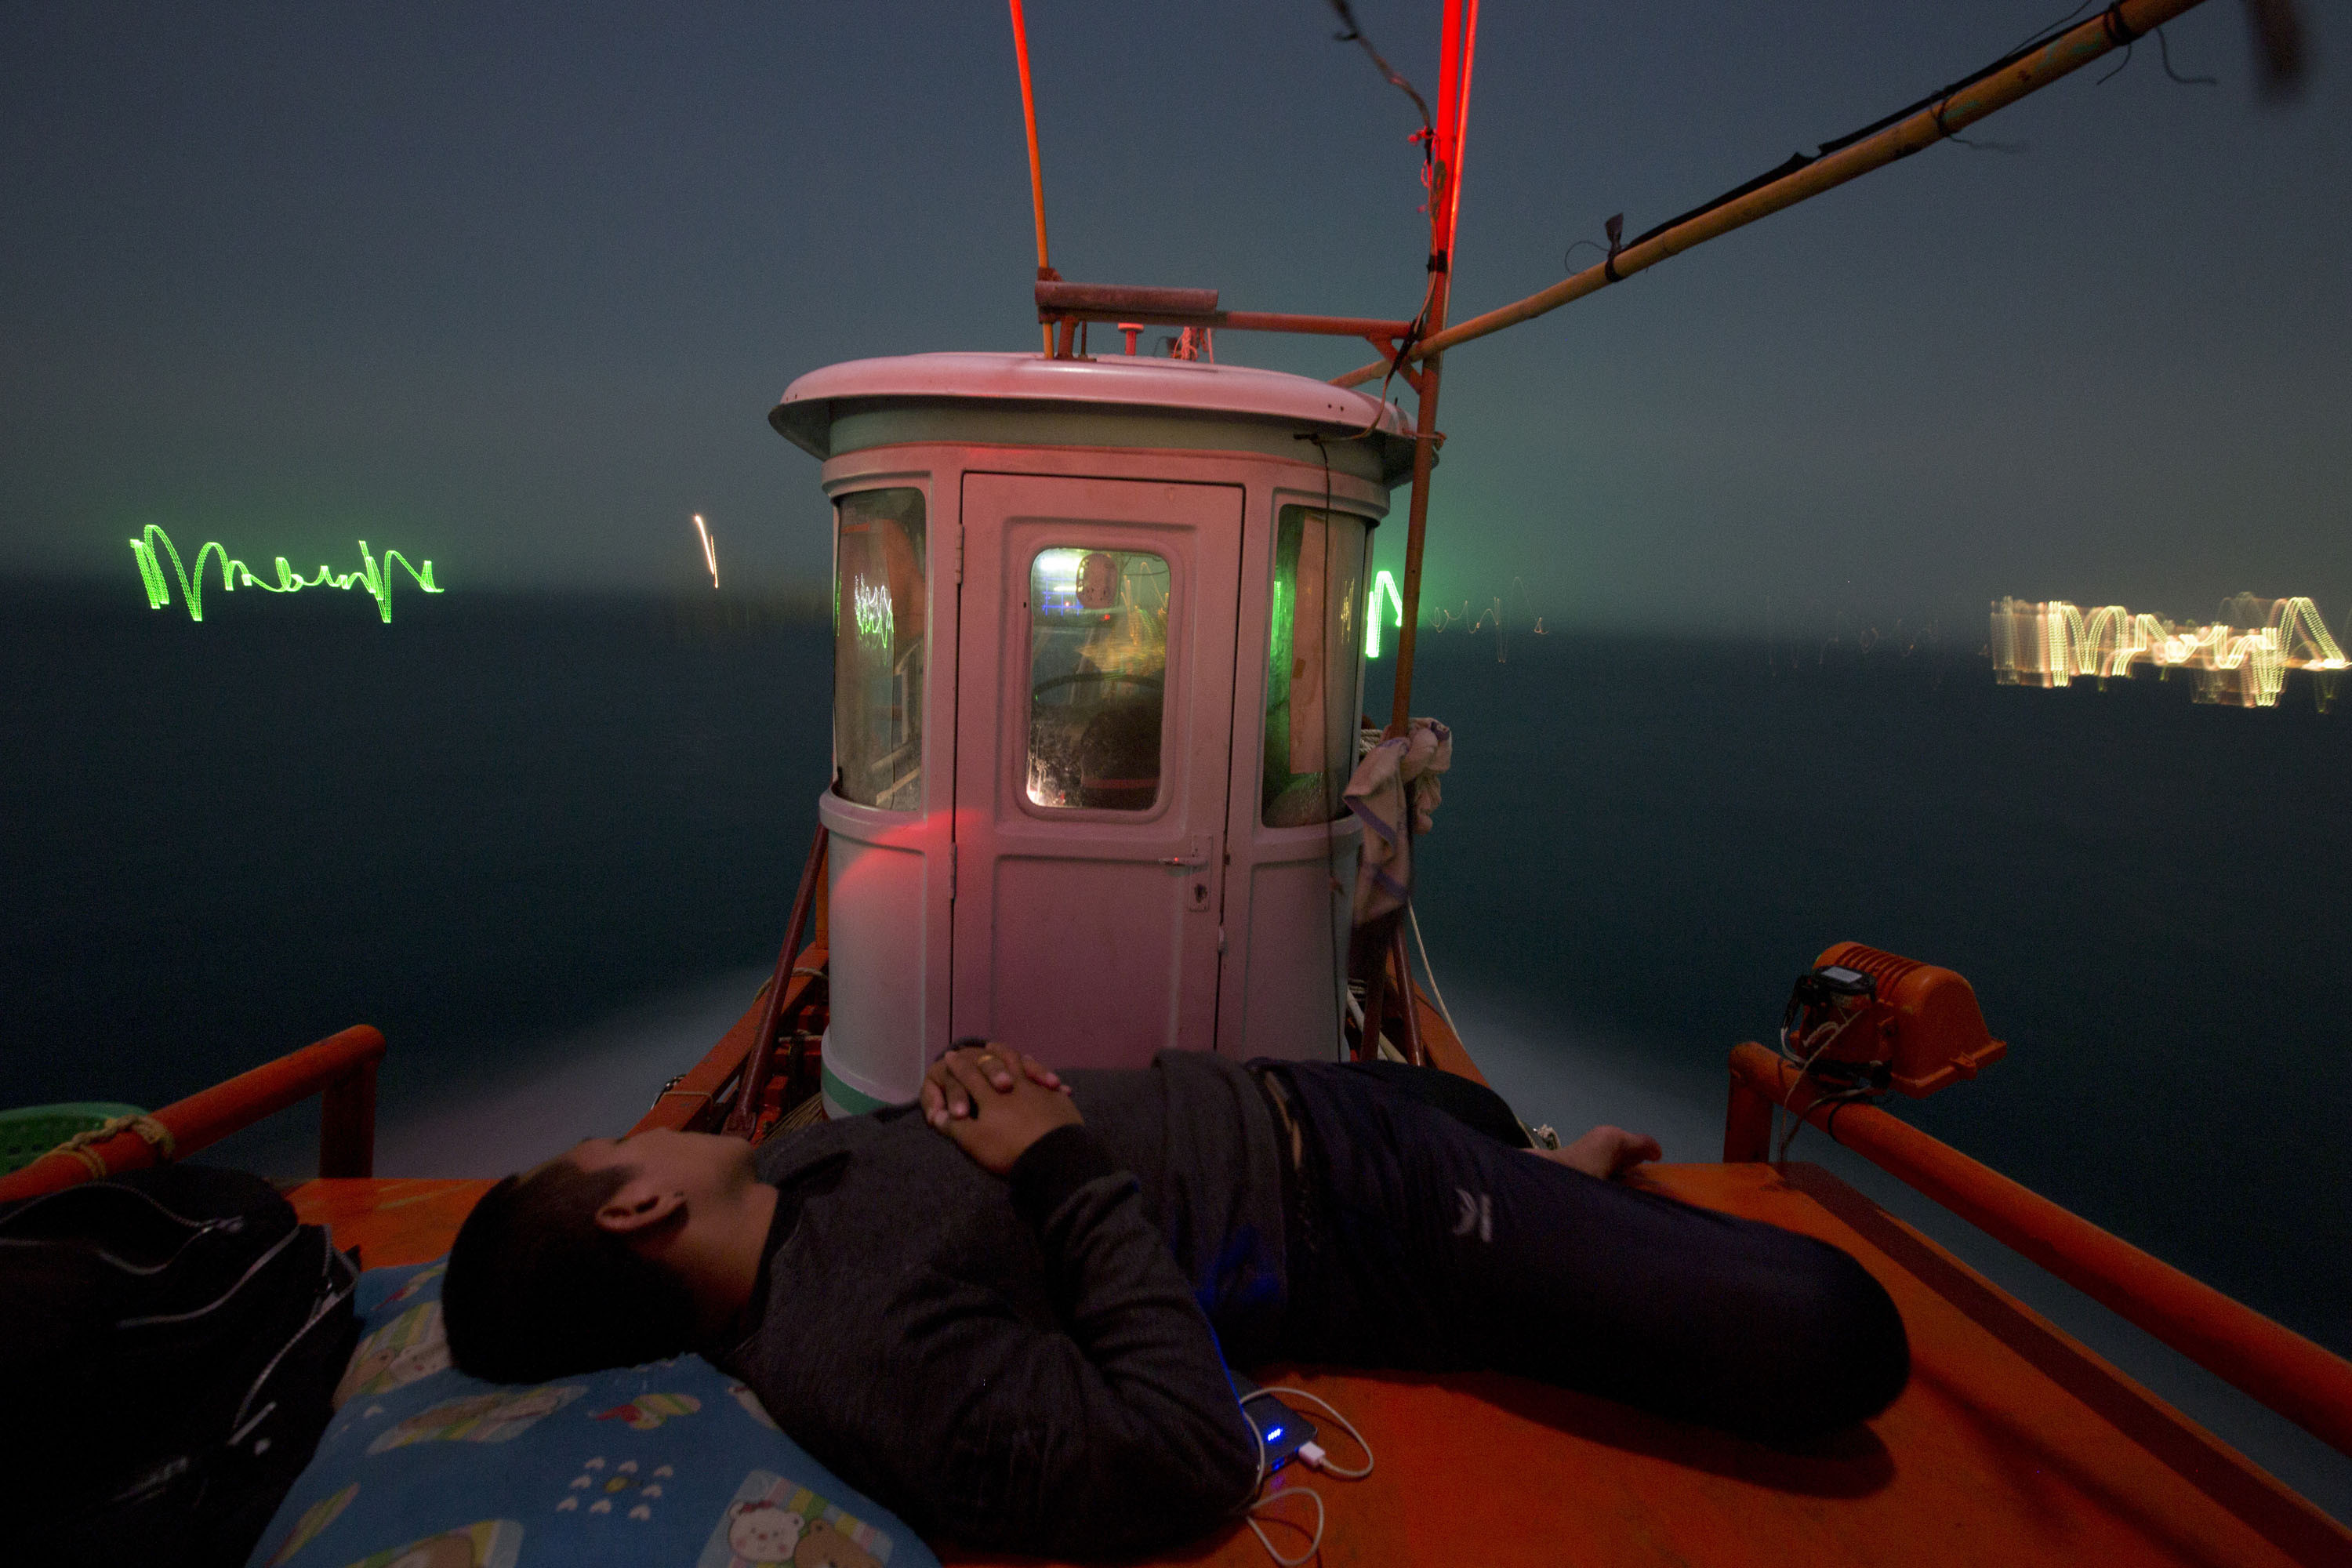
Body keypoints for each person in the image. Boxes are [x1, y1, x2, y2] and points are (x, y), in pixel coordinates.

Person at [444, 1046, 1907, 1560]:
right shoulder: (860, 1355)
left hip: (1290, 1095)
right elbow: (1187, 1449)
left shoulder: (787, 1169)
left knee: (1476, 1106)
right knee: (1841, 1336)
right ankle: (1537, 1211)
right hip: (1367, 1219)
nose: (635, 1131)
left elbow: (964, 1176)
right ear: (636, 1211)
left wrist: (969, 1078)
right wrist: (1059, 1160)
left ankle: (1542, 1182)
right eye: (608, 1146)